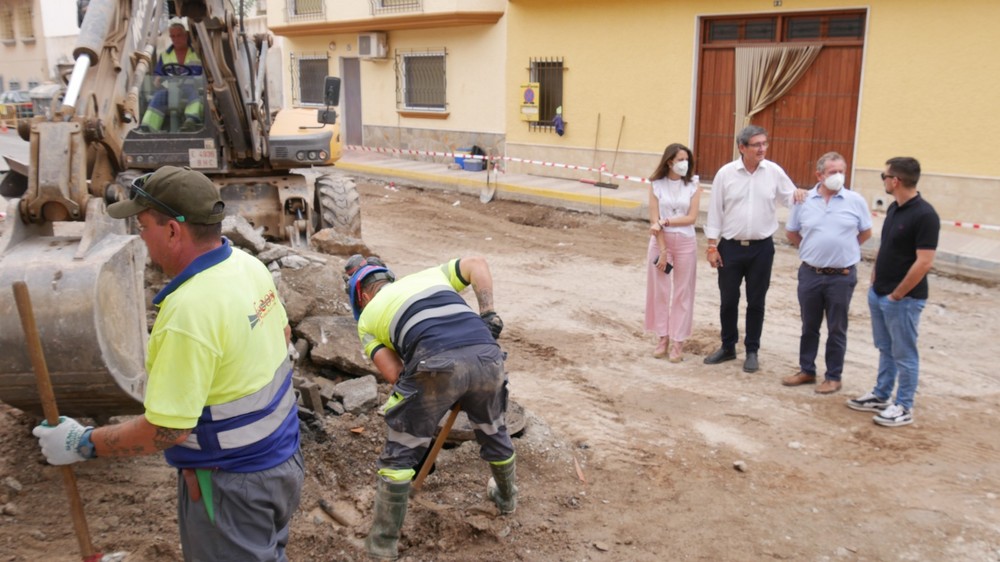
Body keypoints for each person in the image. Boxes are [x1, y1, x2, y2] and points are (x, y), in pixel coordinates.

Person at [32, 166, 302, 561]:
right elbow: (282, 337)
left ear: (174, 231)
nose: (141, 238)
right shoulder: (247, 266)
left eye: (142, 227)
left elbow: (167, 429)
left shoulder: (189, 312)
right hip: (283, 462)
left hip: (231, 485)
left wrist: (83, 443)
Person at [345, 255, 516, 560]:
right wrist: (488, 313)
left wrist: (438, 389)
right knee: (493, 430)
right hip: (488, 357)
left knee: (399, 455)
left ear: (363, 296)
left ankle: (382, 545)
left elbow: (395, 374)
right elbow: (477, 262)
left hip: (435, 363)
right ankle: (506, 499)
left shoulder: (368, 319)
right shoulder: (431, 275)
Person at [703, 125, 806, 373]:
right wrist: (711, 245)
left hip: (761, 249)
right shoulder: (725, 174)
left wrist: (801, 194)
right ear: (742, 147)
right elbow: (715, 210)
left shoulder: (774, 172)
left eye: (764, 144)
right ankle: (728, 347)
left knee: (756, 301)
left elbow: (791, 198)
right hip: (730, 247)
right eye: (756, 145)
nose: (762, 149)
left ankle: (752, 351)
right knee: (728, 300)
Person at [847, 157, 938, 427]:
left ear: (895, 180)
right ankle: (881, 394)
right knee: (885, 348)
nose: (883, 180)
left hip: (904, 300)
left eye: (884, 176)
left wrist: (898, 294)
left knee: (905, 353)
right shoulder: (895, 208)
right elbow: (887, 246)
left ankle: (904, 405)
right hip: (881, 293)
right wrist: (876, 277)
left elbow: (925, 261)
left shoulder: (925, 215)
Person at [782, 152, 872, 394]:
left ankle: (833, 376)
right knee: (809, 325)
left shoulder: (855, 201)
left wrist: (843, 250)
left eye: (842, 171)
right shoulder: (804, 200)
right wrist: (812, 249)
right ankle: (806, 370)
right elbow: (792, 232)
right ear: (819, 175)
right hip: (810, 273)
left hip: (841, 276)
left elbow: (865, 232)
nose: (838, 176)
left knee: (836, 327)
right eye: (833, 172)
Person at [645, 143, 702, 362]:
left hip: (686, 242)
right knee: (660, 292)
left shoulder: (694, 185)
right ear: (669, 161)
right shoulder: (656, 185)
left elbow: (691, 218)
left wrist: (666, 221)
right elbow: (653, 220)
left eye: (686, 159)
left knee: (682, 293)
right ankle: (662, 337)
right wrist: (662, 250)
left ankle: (678, 341)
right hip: (660, 243)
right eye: (680, 160)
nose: (684, 164)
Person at [141, 17, 204, 132]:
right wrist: (158, 78)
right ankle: (148, 126)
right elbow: (158, 74)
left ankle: (191, 120)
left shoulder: (197, 54)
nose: (176, 39)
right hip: (170, 88)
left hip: (190, 87)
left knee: (194, 93)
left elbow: (201, 74)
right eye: (173, 36)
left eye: (179, 35)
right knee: (158, 96)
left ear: (185, 36)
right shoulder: (165, 55)